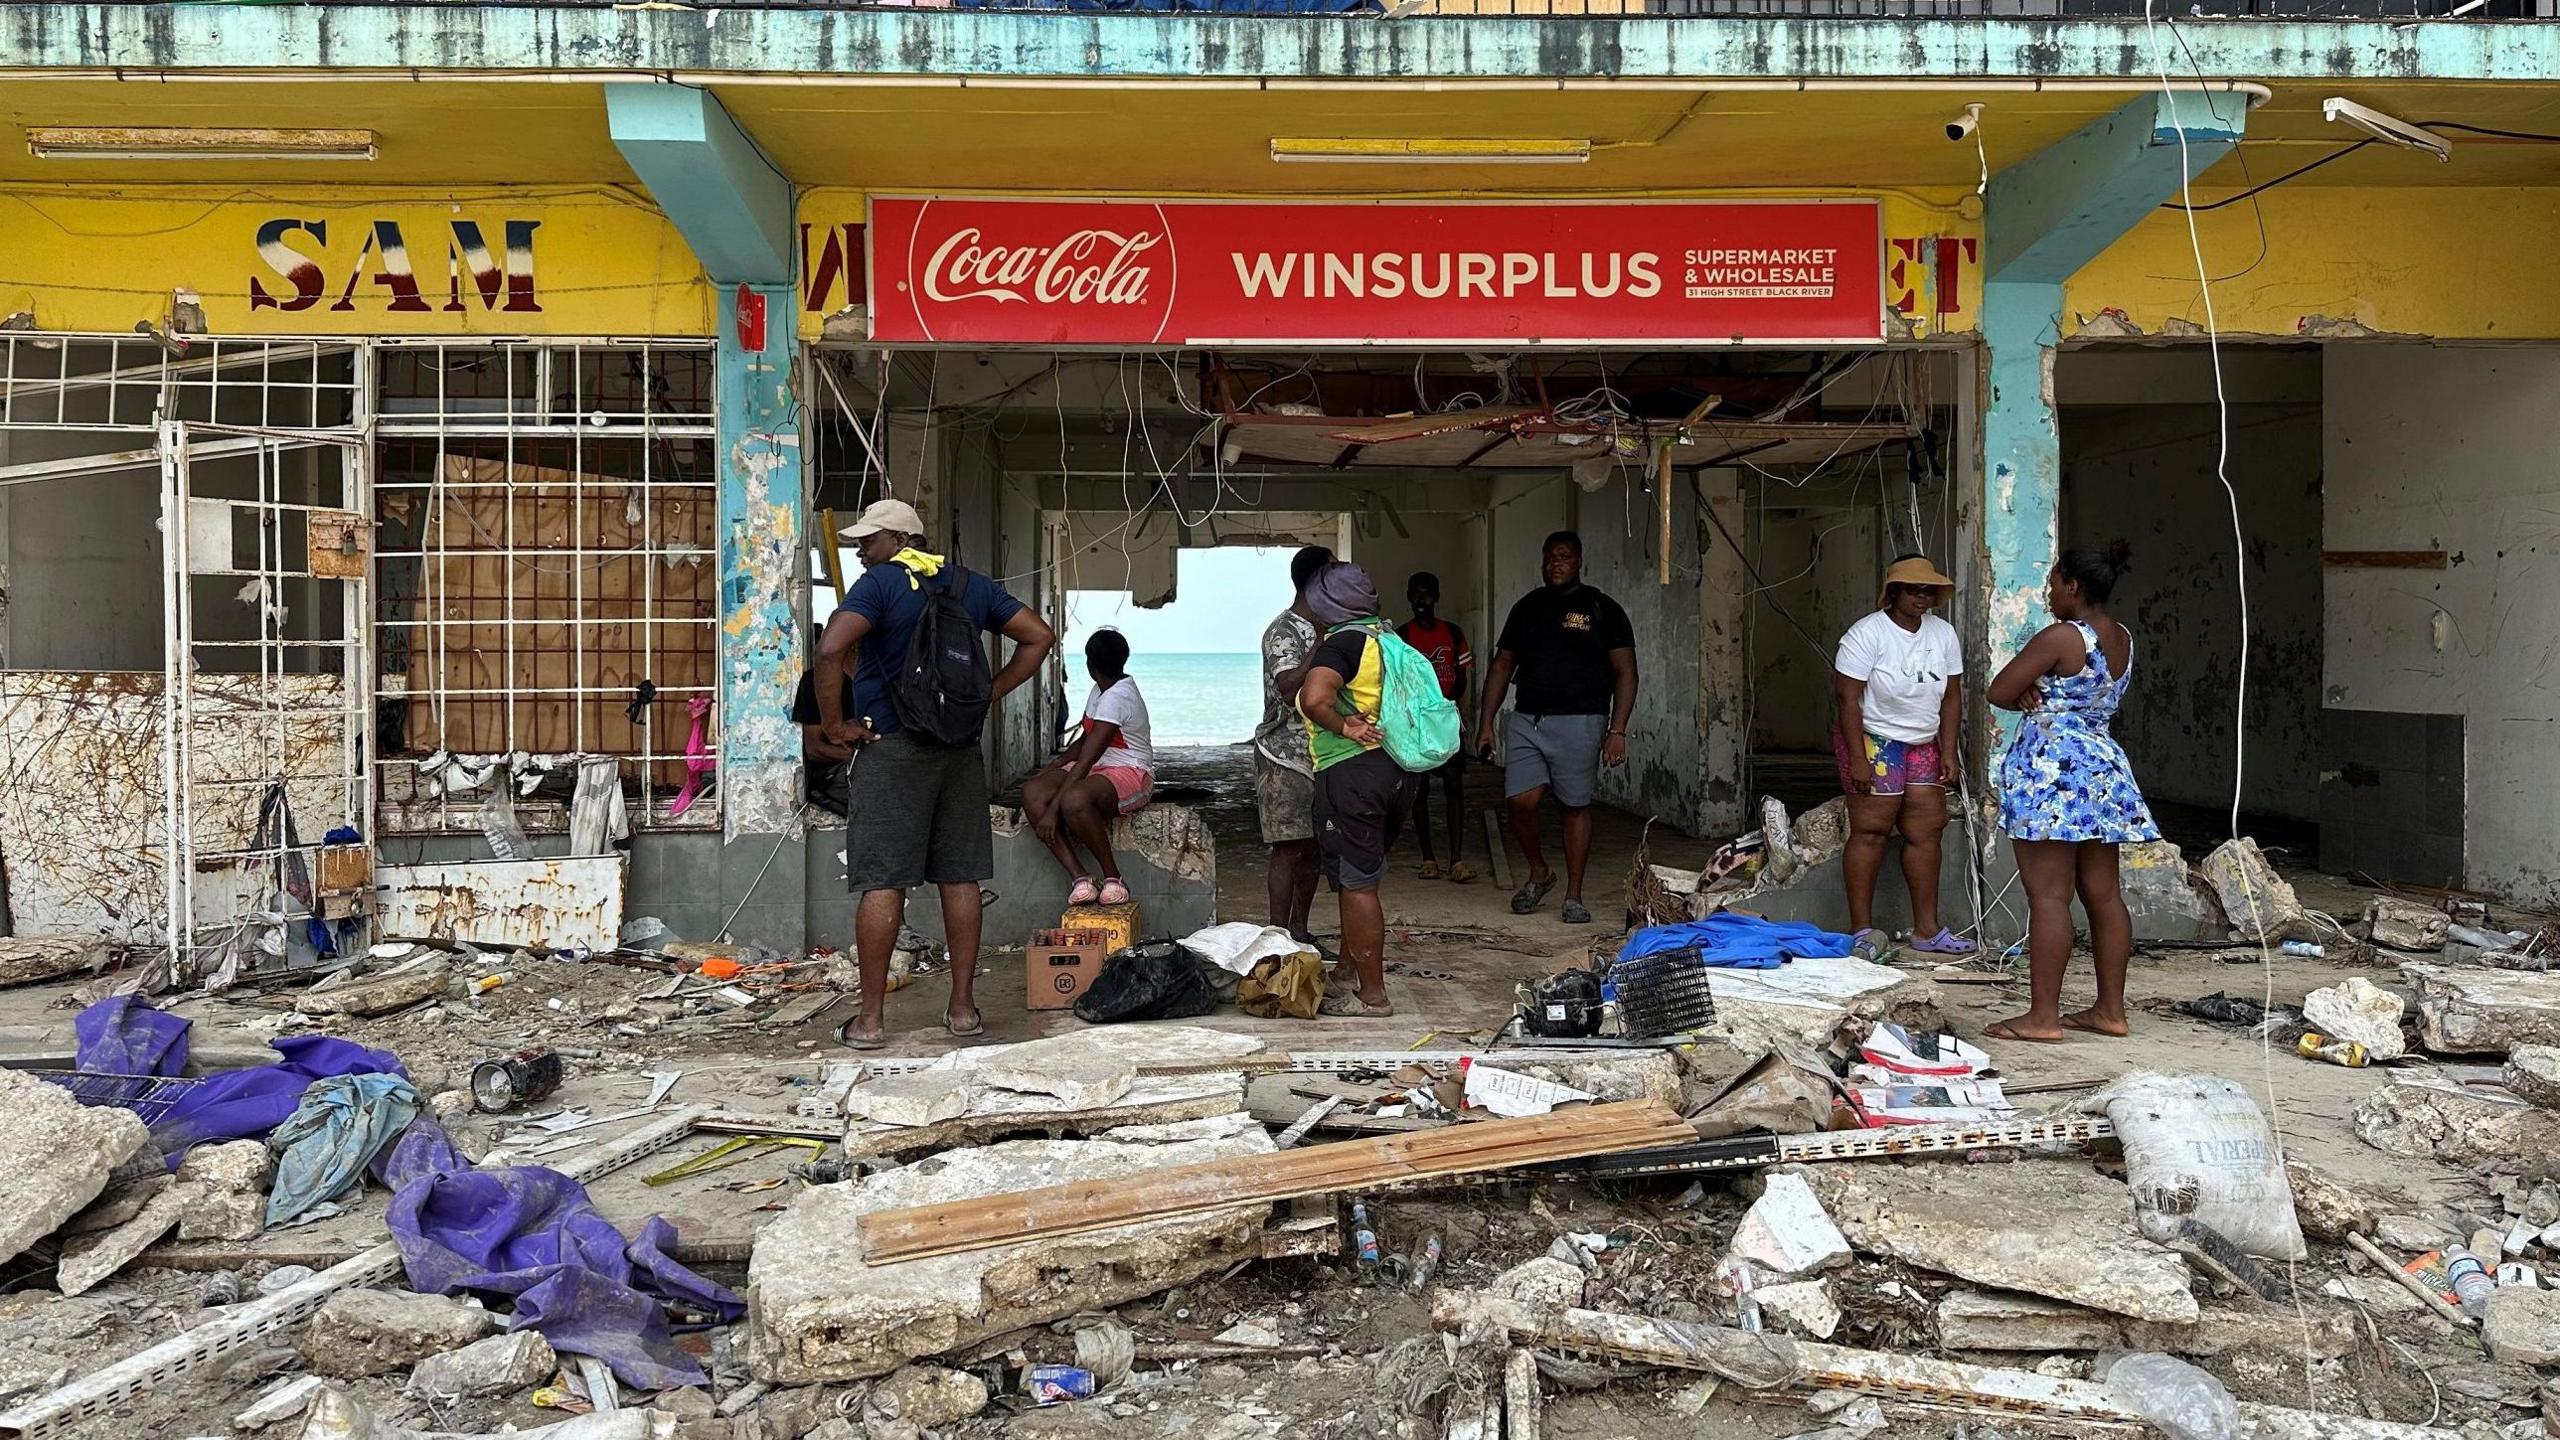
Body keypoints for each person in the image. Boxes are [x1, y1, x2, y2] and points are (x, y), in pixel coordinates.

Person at [813, 497, 1056, 1049]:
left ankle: (871, 1021)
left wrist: (834, 725)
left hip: (891, 747)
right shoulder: (968, 584)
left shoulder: (879, 584)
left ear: (899, 539)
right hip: (958, 750)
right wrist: (986, 695)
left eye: (868, 542)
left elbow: (830, 649)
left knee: (882, 880)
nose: (860, 553)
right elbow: (1039, 636)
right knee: (960, 876)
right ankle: (964, 1010)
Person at [1983, 540, 2158, 1045]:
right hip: (2102, 770)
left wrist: (2025, 691)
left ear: (2074, 586)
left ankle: (2042, 1017)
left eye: (2055, 582)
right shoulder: (2122, 637)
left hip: (2053, 773)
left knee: (2049, 896)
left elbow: (1998, 689)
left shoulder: (2063, 636)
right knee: (2104, 895)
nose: (2049, 590)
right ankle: (2109, 1010)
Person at [1474, 531, 1637, 926]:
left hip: (1582, 721)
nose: (1555, 564)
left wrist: (1617, 730)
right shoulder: (1527, 607)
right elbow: (1501, 666)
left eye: (1563, 556)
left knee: (1573, 807)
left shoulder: (1602, 609)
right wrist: (1486, 724)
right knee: (1520, 802)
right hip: (1529, 719)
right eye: (1549, 557)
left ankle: (1574, 895)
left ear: (1579, 560)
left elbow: (1625, 672)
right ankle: (1539, 872)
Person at [1832, 554, 1974, 959]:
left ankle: (1927, 930)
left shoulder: (1943, 634)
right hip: (1875, 738)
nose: (1922, 597)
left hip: (1922, 741)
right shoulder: (1866, 634)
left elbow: (1951, 696)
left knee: (1927, 829)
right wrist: (1858, 758)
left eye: (1928, 590)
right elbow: (1846, 698)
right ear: (1893, 592)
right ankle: (1861, 928)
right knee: (1872, 830)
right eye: (1913, 589)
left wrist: (1948, 750)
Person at [1295, 561, 1413, 1018]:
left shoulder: (1341, 644)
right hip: (1397, 771)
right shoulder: (1389, 641)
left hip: (1353, 773)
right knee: (1356, 876)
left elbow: (1313, 698)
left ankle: (1373, 996)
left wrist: (1343, 725)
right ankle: (1345, 970)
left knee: (1359, 885)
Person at [1022, 629, 1154, 906]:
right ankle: (1080, 878)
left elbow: (1087, 760)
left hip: (1131, 773)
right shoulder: (1101, 690)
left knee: (1074, 800)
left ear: (1090, 665)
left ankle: (1113, 878)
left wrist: (1053, 810)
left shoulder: (1118, 697)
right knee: (1033, 791)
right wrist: (1054, 766)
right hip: (1100, 770)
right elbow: (1084, 740)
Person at [1253, 545, 1335, 943]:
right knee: (1287, 849)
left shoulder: (1333, 625)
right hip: (1284, 756)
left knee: (1315, 849)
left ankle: (1300, 932)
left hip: (1323, 755)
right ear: (1316, 580)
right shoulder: (1284, 631)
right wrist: (1319, 646)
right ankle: (1276, 935)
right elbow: (1288, 689)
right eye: (1332, 573)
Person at [1398, 571, 1475, 884]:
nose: (1421, 599)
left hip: (1446, 721)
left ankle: (1456, 860)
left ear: (1436, 596)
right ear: (1408, 597)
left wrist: (1452, 715)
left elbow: (1462, 679)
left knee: (1455, 787)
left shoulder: (1453, 633)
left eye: (1426, 593)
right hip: (1416, 725)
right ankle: (1428, 858)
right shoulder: (1402, 637)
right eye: (1415, 593)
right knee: (1419, 792)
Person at [790, 661, 858, 818]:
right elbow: (814, 749)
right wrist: (861, 756)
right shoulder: (814, 681)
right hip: (836, 774)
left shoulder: (881, 677)